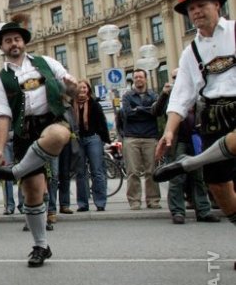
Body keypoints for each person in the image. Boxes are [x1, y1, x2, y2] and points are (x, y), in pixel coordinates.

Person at [0, 21, 77, 267]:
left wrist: (71, 87)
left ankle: (15, 171)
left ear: (24, 42)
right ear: (2, 47)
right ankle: (41, 246)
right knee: (33, 192)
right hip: (24, 132)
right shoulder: (0, 80)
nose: (13, 43)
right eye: (8, 41)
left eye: (17, 39)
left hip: (53, 120)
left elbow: (71, 85)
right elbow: (3, 116)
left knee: (58, 136)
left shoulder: (47, 63)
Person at [155, 0, 236, 229]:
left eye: (201, 5)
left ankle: (192, 161)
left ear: (217, 5)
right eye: (191, 9)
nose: (196, 12)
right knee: (217, 185)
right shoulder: (190, 52)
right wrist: (169, 131)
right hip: (213, 116)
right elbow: (181, 95)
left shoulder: (234, 31)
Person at [153, 68, 219, 224]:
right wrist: (163, 94)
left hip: (196, 139)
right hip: (177, 141)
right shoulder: (170, 95)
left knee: (199, 177)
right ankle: (177, 211)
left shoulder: (198, 92)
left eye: (179, 76)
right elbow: (155, 111)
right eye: (174, 76)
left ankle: (203, 211)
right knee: (176, 177)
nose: (177, 79)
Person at [120, 69, 162, 210]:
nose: (138, 79)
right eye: (136, 77)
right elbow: (128, 114)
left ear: (145, 79)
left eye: (140, 77)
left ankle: (153, 200)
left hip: (150, 137)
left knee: (152, 171)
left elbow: (157, 112)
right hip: (131, 137)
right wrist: (146, 110)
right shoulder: (127, 96)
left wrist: (138, 109)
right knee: (133, 172)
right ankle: (134, 201)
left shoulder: (154, 95)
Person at [73, 80, 111, 212]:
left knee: (97, 171)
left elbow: (102, 122)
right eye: (79, 87)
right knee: (80, 173)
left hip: (93, 138)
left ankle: (100, 202)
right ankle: (83, 204)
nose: (82, 90)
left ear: (88, 89)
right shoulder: (72, 105)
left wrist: (104, 139)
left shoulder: (94, 104)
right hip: (78, 140)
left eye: (84, 87)